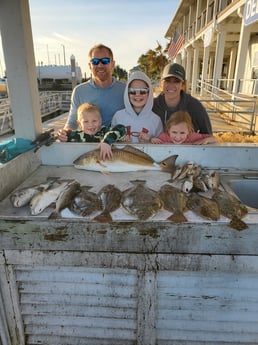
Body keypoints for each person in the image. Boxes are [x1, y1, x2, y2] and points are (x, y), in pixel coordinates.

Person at [58, 43, 125, 141]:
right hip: (89, 145)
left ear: (113, 64)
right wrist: (64, 133)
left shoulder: (126, 90)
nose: (100, 65)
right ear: (90, 66)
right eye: (95, 61)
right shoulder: (79, 91)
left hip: (119, 145)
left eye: (105, 61)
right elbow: (72, 122)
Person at [153, 63, 212, 134]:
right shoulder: (152, 105)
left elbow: (208, 134)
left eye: (176, 81)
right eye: (167, 80)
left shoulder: (195, 106)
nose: (171, 85)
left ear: (183, 85)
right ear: (161, 83)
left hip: (186, 145)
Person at [57, 102, 126, 160]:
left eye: (94, 121)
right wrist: (61, 136)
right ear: (79, 124)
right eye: (86, 121)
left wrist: (107, 142)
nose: (91, 125)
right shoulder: (75, 135)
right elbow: (60, 137)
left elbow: (121, 128)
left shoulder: (104, 131)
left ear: (100, 121)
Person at [111, 70, 163, 143]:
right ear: (127, 93)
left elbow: (161, 147)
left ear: (149, 93)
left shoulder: (156, 120)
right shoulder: (118, 116)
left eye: (143, 91)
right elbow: (111, 141)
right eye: (132, 91)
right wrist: (120, 141)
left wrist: (150, 140)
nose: (138, 94)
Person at [151, 110, 217, 145]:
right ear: (168, 130)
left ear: (189, 131)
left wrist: (205, 140)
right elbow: (155, 142)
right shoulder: (164, 137)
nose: (178, 137)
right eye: (174, 132)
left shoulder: (192, 136)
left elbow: (214, 139)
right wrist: (153, 140)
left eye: (182, 133)